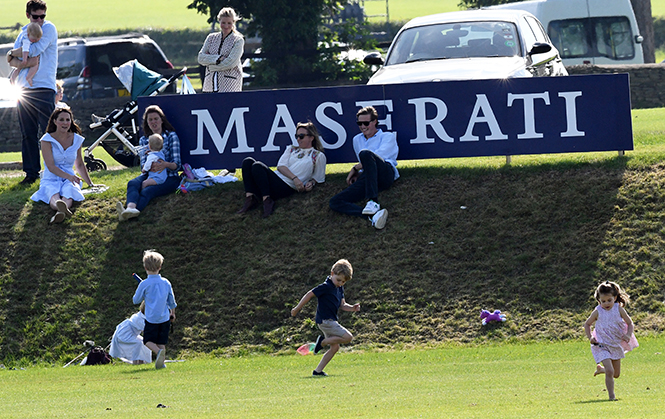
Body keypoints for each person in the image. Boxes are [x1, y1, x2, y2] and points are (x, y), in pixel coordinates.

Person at [7, 0, 58, 185]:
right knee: (27, 133)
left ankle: (54, 170)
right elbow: (14, 61)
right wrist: (16, 58)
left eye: (42, 16)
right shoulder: (22, 33)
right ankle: (31, 173)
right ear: (28, 15)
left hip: (44, 87)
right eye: (35, 16)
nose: (39, 20)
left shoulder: (49, 28)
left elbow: (35, 50)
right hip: (24, 90)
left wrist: (13, 55)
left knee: (49, 132)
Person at [329, 106, 399, 230]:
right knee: (335, 201)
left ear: (375, 122)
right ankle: (373, 217)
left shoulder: (387, 136)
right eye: (359, 123)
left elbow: (379, 156)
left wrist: (355, 168)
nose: (363, 126)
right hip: (368, 176)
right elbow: (365, 163)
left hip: (385, 174)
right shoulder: (357, 139)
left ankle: (373, 201)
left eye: (366, 123)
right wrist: (358, 171)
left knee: (365, 154)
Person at [238, 122, 327, 218]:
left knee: (257, 166)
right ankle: (250, 198)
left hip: (287, 186)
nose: (298, 139)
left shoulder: (318, 156)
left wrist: (311, 182)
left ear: (311, 137)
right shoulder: (291, 149)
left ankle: (267, 200)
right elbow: (281, 166)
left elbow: (319, 177)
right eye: (296, 136)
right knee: (248, 161)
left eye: (301, 136)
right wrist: (295, 178)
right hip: (279, 179)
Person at [291, 259, 360, 377]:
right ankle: (322, 342)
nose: (340, 283)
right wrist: (297, 308)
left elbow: (342, 305)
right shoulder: (326, 286)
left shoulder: (339, 288)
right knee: (348, 337)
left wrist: (352, 308)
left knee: (335, 347)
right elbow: (309, 294)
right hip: (325, 321)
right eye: (339, 280)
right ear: (332, 273)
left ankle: (317, 371)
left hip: (330, 320)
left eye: (343, 282)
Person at [116, 105, 181, 221]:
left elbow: (177, 165)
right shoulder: (144, 140)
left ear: (162, 120)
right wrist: (151, 166)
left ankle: (131, 215)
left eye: (156, 118)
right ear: (147, 122)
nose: (153, 122)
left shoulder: (171, 136)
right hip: (150, 174)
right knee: (133, 183)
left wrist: (164, 165)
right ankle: (130, 209)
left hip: (170, 177)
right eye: (150, 120)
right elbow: (143, 167)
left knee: (147, 190)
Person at [30, 108, 94, 224]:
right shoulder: (46, 140)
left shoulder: (77, 139)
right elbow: (51, 166)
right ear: (55, 121)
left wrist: (90, 183)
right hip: (51, 177)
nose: (65, 123)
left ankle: (61, 211)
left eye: (68, 120)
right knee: (52, 192)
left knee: (69, 190)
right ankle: (60, 208)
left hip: (70, 178)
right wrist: (69, 177)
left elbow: (79, 163)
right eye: (61, 120)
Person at [584, 281, 639, 401]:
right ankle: (611, 397)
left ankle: (601, 370)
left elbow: (630, 323)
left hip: (615, 345)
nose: (606, 303)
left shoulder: (618, 309)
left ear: (614, 298)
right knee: (610, 370)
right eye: (603, 301)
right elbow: (587, 324)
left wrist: (628, 334)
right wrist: (590, 338)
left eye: (609, 300)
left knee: (615, 374)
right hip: (601, 344)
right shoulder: (598, 311)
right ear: (599, 301)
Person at [132, 250, 177, 370]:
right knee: (161, 341)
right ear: (160, 266)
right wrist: (173, 313)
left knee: (148, 340)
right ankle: (161, 364)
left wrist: (141, 290)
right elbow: (171, 300)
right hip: (164, 318)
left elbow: (136, 300)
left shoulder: (144, 284)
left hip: (152, 319)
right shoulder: (166, 282)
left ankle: (158, 352)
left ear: (145, 267)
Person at [197, 7, 244, 93]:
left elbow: (231, 63)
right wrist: (218, 58)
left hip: (230, 85)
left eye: (229, 23)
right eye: (223, 23)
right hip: (209, 85)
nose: (226, 26)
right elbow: (201, 58)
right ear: (219, 21)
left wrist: (210, 66)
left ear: (233, 22)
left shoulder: (238, 40)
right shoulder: (211, 38)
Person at [8, 22, 42, 87]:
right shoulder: (26, 40)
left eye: (38, 39)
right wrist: (24, 59)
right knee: (35, 64)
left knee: (18, 68)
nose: (36, 41)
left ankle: (12, 78)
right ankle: (29, 77)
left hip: (18, 55)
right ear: (28, 35)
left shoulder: (23, 35)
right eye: (34, 39)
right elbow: (25, 50)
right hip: (22, 55)